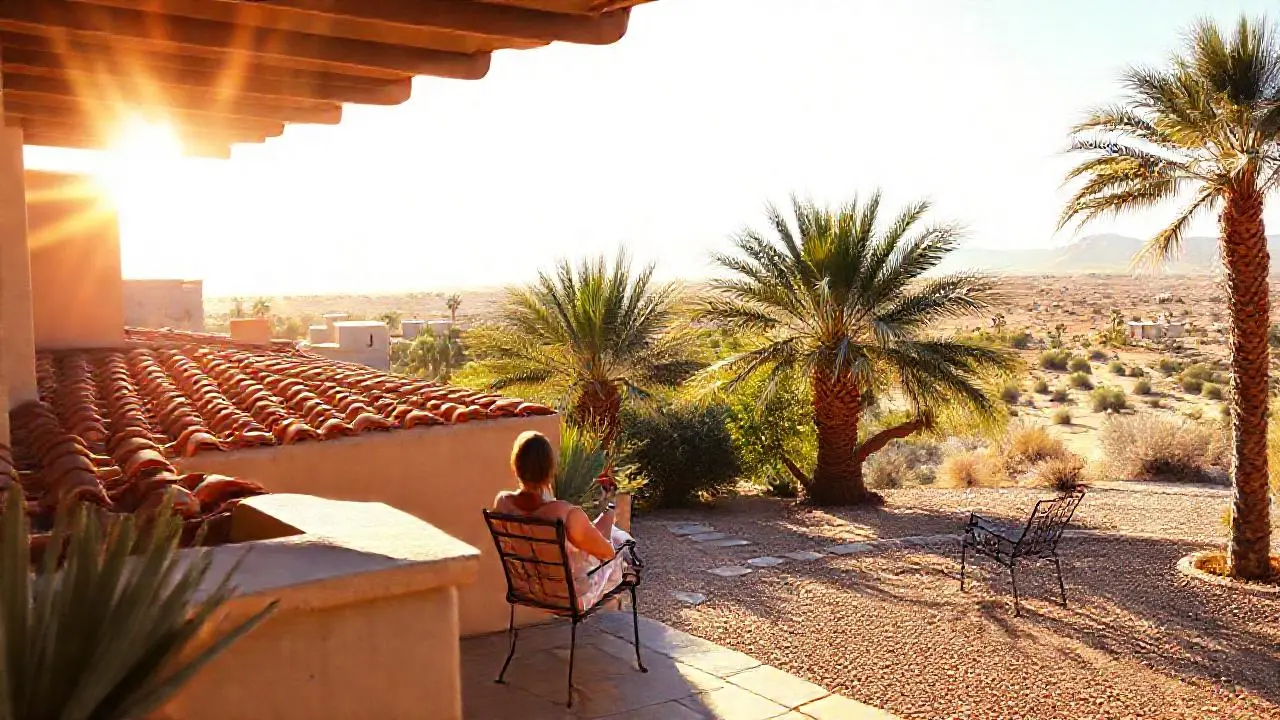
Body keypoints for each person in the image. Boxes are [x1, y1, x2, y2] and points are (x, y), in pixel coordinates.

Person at [493, 430, 636, 611]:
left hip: (529, 589)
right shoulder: (564, 513)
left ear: (515, 466)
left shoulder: (503, 503)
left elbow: (536, 511)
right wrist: (610, 507)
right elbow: (607, 553)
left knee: (593, 537)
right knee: (623, 546)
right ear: (551, 471)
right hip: (569, 596)